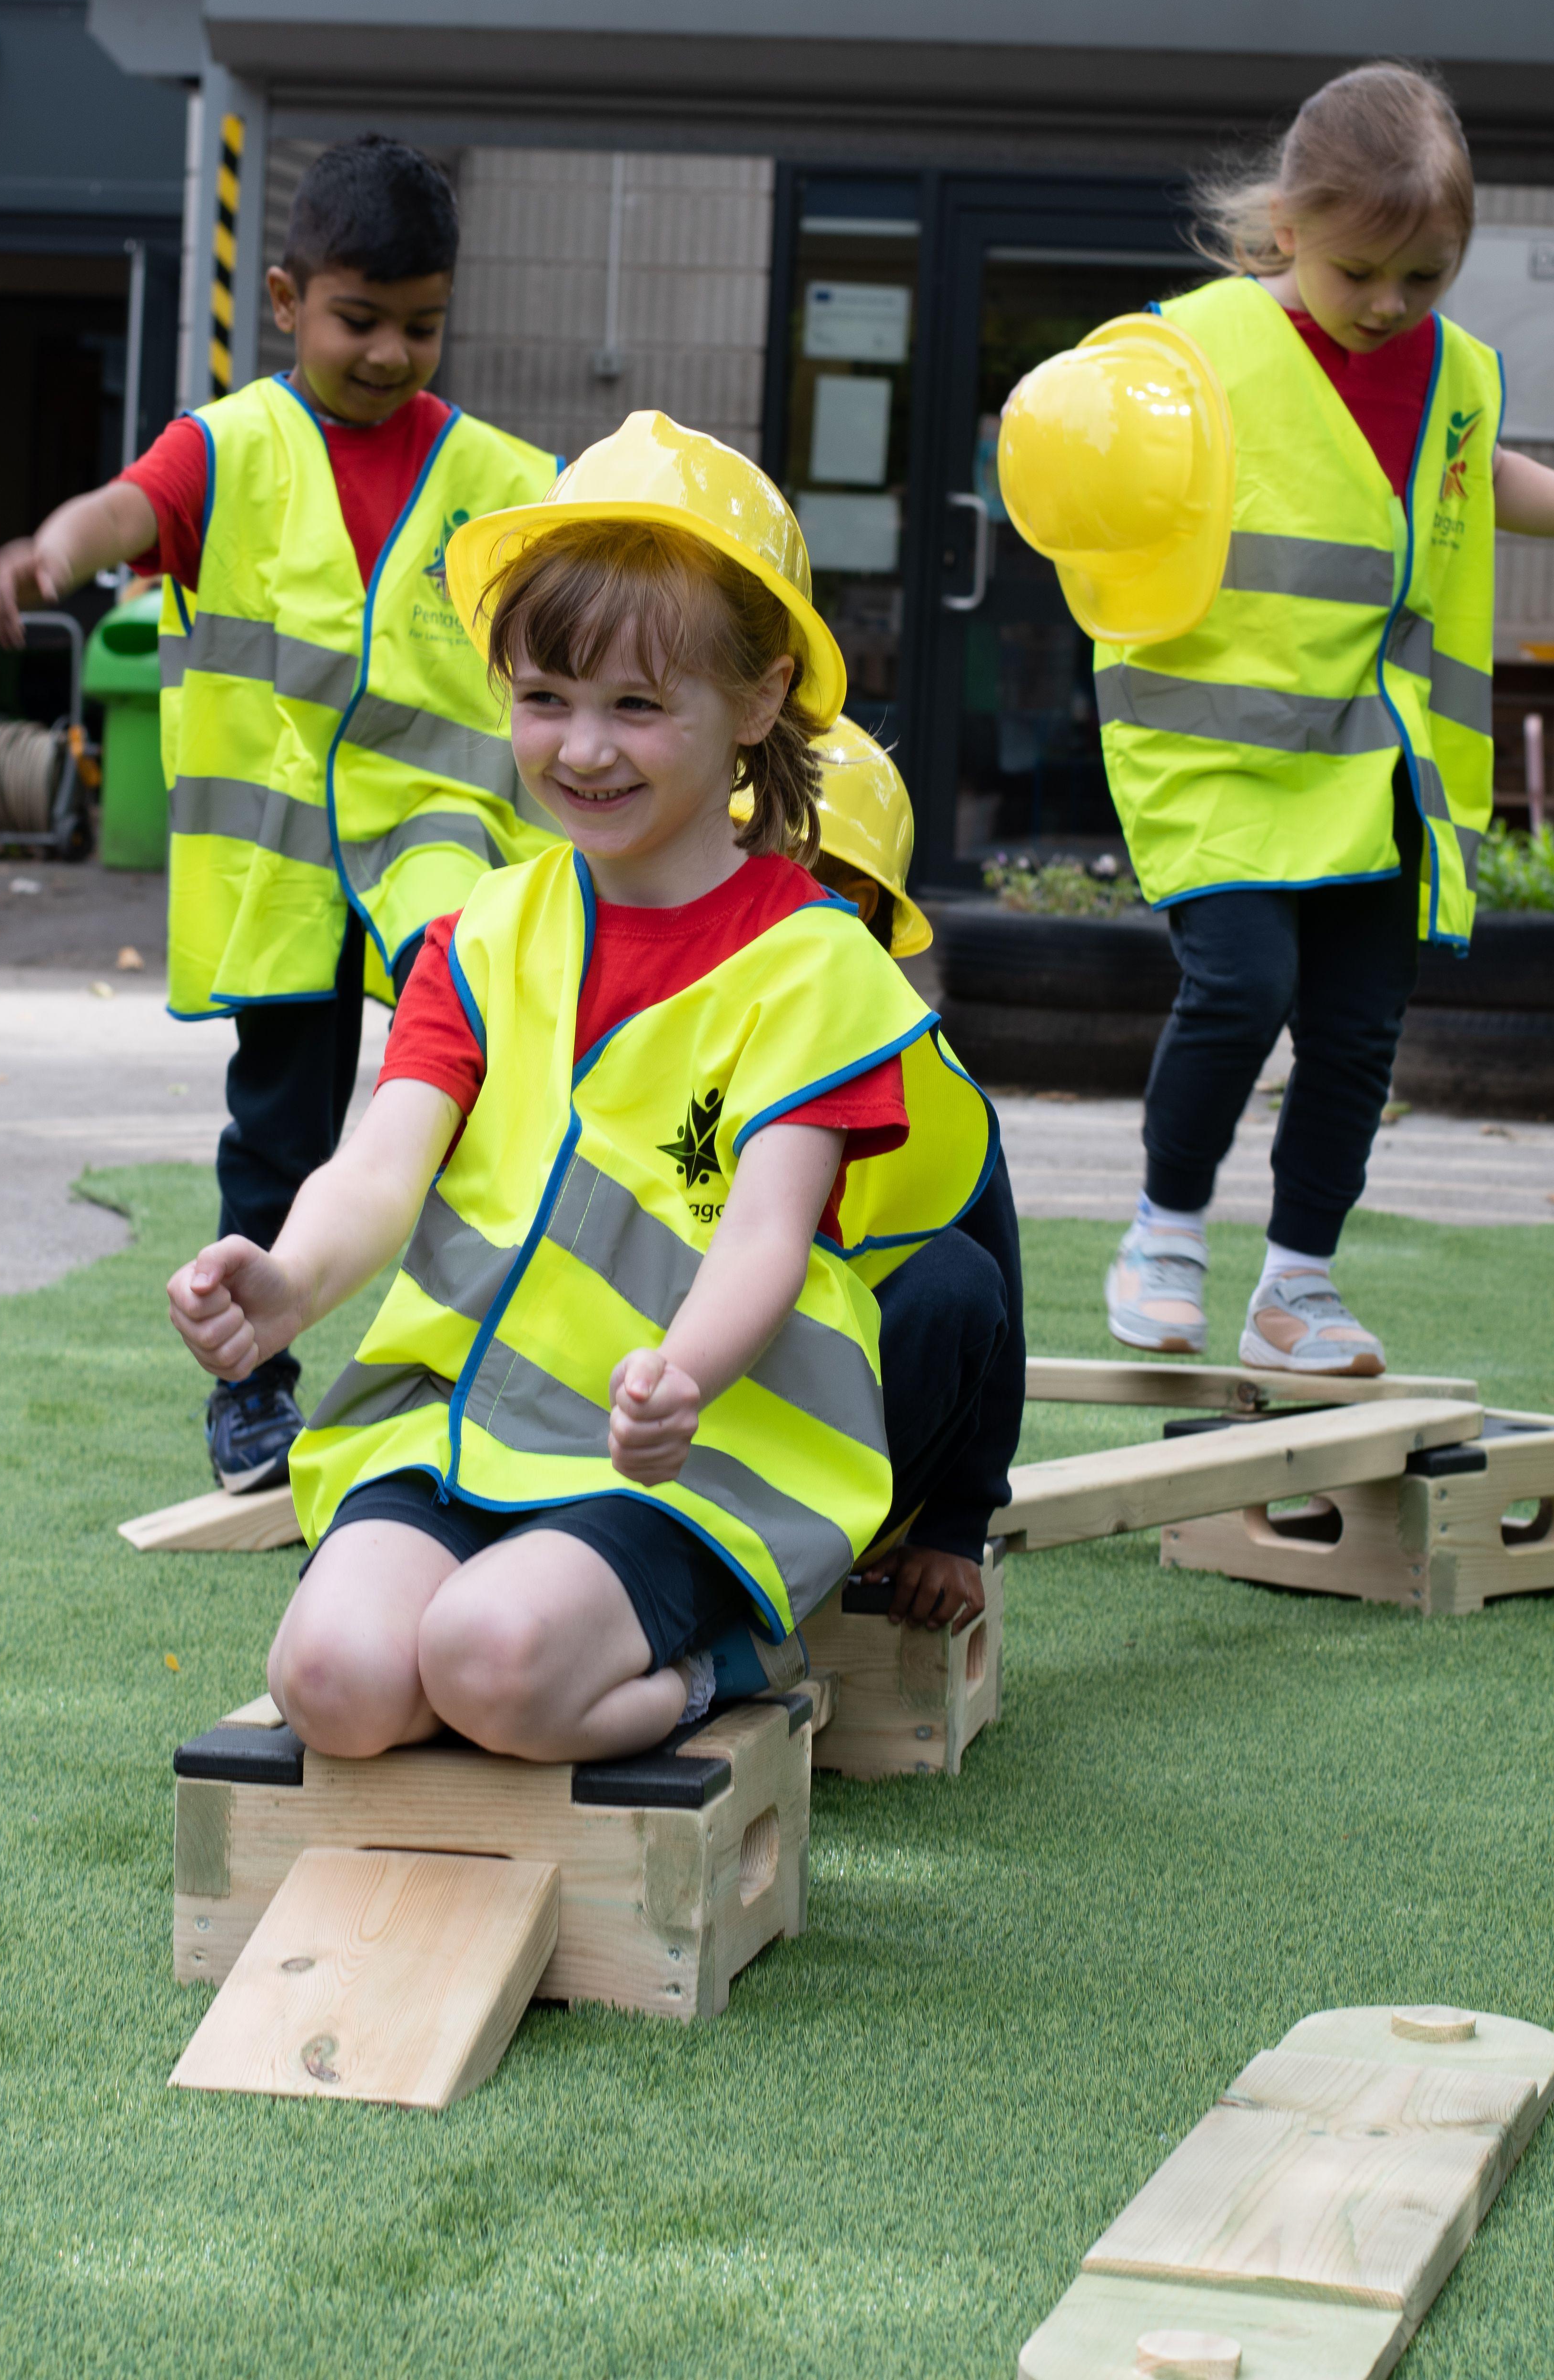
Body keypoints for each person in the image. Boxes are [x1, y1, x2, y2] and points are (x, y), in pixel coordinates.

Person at [164, 412, 997, 1765]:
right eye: (545, 698)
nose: (583, 749)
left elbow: (768, 1235)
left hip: (683, 1456)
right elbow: (385, 1161)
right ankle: (566, 1643)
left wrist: (685, 1372)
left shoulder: (815, 963)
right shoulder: (482, 931)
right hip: (459, 1425)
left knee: (493, 1668)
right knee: (332, 1679)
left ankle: (722, 1668)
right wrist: (291, 1281)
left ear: (759, 699)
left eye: (638, 706)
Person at [0, 135, 562, 1488]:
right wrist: (53, 552)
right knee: (282, 1138)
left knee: (475, 1107)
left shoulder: (503, 477)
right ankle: (255, 1390)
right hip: (283, 873)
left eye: (422, 325)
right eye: (361, 319)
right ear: (289, 301)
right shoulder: (227, 451)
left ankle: (486, 1357)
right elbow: (128, 508)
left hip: (440, 860)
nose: (390, 353)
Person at [1100, 62, 1554, 1376]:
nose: (1390, 304)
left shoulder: (1457, 371)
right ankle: (1163, 1231)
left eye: (1426, 276)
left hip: (1380, 767)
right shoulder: (1191, 347)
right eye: (1361, 271)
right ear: (1289, 229)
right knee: (1243, 986)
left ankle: (1298, 1289)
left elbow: (1478, 476)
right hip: (1219, 754)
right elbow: (1082, 458)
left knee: (1362, 1029)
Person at [787, 716, 1024, 1636]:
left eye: (847, 891)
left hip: (829, 1441)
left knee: (959, 1284)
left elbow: (996, 1320)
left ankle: (837, 1544)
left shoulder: (930, 1081)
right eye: (790, 878)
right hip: (655, 1433)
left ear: (884, 922)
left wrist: (959, 1528)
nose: (815, 914)